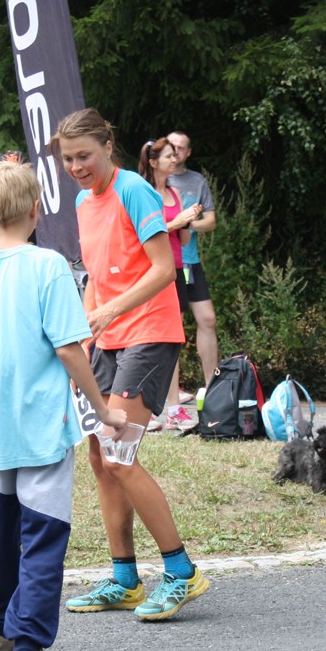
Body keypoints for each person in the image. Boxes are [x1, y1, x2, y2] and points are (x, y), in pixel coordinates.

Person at [0, 158, 128, 651]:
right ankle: (28, 650)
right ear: (36, 210)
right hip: (40, 424)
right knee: (44, 534)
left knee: (6, 526)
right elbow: (69, 349)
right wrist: (103, 410)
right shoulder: (49, 266)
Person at [53, 107, 210, 621]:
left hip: (150, 331)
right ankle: (125, 579)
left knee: (119, 453)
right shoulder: (82, 202)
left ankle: (182, 572)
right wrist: (86, 331)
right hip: (108, 337)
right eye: (68, 159)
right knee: (100, 456)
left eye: (84, 156)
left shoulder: (135, 191)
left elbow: (164, 269)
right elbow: (97, 277)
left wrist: (110, 311)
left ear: (107, 146)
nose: (76, 167)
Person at [139, 137, 202, 431]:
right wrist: (177, 222)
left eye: (175, 155)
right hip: (152, 271)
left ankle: (174, 408)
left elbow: (183, 240)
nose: (174, 160)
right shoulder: (144, 194)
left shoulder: (175, 193)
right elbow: (144, 234)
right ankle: (147, 409)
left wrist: (188, 220)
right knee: (150, 339)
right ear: (153, 163)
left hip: (175, 270)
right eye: (168, 156)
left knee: (173, 339)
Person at [167, 130, 219, 387]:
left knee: (208, 319)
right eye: (171, 146)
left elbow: (211, 221)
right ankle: (171, 395)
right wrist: (177, 223)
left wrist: (188, 223)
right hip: (167, 263)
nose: (175, 151)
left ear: (188, 153)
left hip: (191, 261)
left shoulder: (197, 181)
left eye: (180, 147)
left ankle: (212, 387)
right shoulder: (155, 180)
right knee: (172, 326)